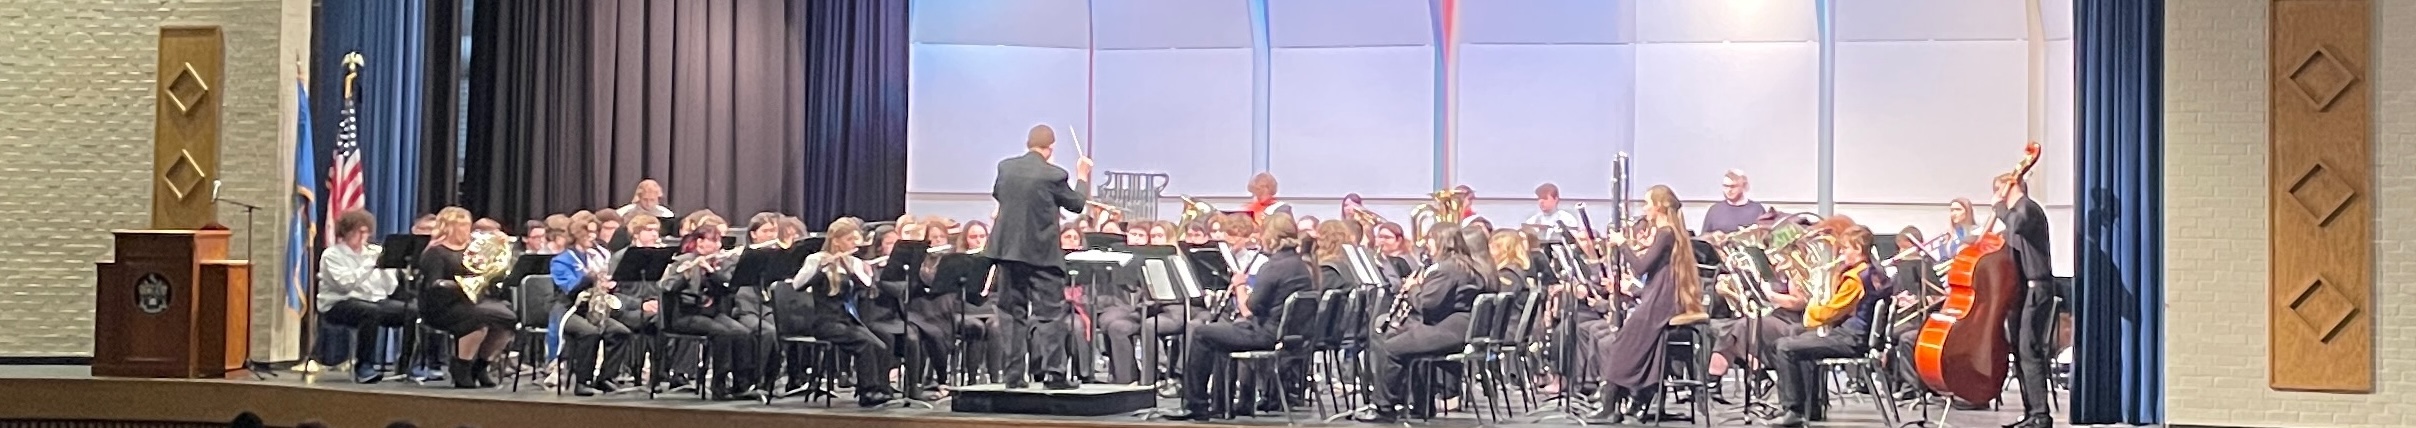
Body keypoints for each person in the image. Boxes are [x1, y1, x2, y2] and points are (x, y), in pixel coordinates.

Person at [1171, 215, 1316, 420]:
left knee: (1202, 334)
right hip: (1289, 335)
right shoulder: (1300, 267)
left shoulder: (1273, 267)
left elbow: (1248, 309)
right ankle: (1222, 406)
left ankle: (1196, 405)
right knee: (1219, 335)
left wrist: (1239, 285)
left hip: (1267, 334)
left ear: (1271, 237)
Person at [987, 124, 1095, 389]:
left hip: (1008, 252)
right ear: (1051, 148)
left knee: (1011, 314)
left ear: (1028, 143)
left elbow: (999, 194)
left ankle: (1013, 376)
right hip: (1042, 255)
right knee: (1049, 315)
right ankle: (1054, 375)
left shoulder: (1006, 168)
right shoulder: (1054, 175)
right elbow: (1076, 204)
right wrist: (1083, 175)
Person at [1586, 185, 1705, 423]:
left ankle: (1611, 405)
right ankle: (1636, 396)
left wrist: (1622, 243)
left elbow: (1641, 267)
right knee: (1638, 344)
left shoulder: (1665, 233)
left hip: (1661, 300)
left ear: (1659, 206)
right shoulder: (1668, 233)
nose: (1644, 208)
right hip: (1660, 296)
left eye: (1647, 203)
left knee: (1622, 344)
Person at [1354, 222, 1483, 422]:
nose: (1426, 244)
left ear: (1441, 241)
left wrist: (1413, 287)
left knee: (1391, 347)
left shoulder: (1446, 269)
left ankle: (1384, 407)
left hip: (1448, 331)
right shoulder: (1465, 265)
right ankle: (1420, 404)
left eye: (1430, 239)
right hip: (1457, 327)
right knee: (1397, 335)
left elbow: (1426, 304)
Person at [1759, 223, 1880, 427]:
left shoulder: (1856, 279)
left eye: (1845, 248)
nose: (1841, 253)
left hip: (1851, 338)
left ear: (1858, 248)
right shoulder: (1874, 273)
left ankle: (1794, 410)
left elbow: (1831, 312)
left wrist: (1812, 309)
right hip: (1856, 334)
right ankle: (1810, 406)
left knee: (1785, 346)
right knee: (1798, 341)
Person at [786, 217, 902, 406]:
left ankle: (881, 389)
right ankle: (868, 392)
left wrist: (854, 269)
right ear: (836, 240)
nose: (854, 244)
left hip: (848, 320)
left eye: (855, 239)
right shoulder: (816, 259)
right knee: (864, 344)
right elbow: (798, 285)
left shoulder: (853, 262)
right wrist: (822, 267)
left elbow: (868, 288)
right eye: (850, 240)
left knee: (881, 345)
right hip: (826, 322)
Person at [660, 211, 768, 397]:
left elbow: (728, 289)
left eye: (719, 241)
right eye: (713, 241)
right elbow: (668, 288)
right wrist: (687, 275)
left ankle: (741, 385)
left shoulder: (718, 263)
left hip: (711, 313)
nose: (718, 246)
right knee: (723, 333)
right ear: (700, 242)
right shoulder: (682, 261)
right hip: (686, 314)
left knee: (743, 333)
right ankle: (719, 385)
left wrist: (712, 272)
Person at [414, 207, 518, 389]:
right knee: (477, 320)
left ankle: (481, 365)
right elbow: (434, 284)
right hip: (442, 306)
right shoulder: (435, 252)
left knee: (507, 318)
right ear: (449, 227)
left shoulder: (473, 250)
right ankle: (461, 367)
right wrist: (463, 285)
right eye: (461, 225)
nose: (466, 229)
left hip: (473, 300)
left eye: (467, 225)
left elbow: (489, 274)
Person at [1993, 170, 2057, 428]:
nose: (1996, 196)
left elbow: (2017, 223)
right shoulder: (2015, 215)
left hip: (2036, 288)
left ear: (2010, 187)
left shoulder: (2028, 209)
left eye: (1998, 189)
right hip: (2021, 291)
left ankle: (2041, 414)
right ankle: (2030, 411)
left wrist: (1999, 207)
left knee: (2030, 350)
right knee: (2020, 352)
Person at [317, 209, 411, 384]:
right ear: (345, 232)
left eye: (365, 232)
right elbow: (345, 285)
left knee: (411, 311)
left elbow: (389, 289)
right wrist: (370, 264)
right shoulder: (332, 255)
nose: (362, 236)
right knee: (370, 312)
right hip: (338, 304)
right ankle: (364, 366)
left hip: (373, 301)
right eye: (357, 232)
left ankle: (406, 365)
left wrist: (386, 266)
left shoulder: (371, 253)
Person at [549, 211, 637, 396]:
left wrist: (609, 284)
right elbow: (570, 289)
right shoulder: (562, 260)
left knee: (620, 332)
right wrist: (590, 277)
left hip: (591, 308)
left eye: (594, 232)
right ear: (576, 234)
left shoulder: (598, 254)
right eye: (587, 232)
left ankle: (606, 378)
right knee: (589, 332)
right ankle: (582, 381)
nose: (592, 236)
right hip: (568, 309)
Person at [1702, 169, 1773, 236]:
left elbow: (1766, 238)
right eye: (1726, 186)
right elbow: (1703, 239)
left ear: (1744, 186)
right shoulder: (1715, 210)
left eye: (1733, 186)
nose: (1729, 190)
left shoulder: (1757, 210)